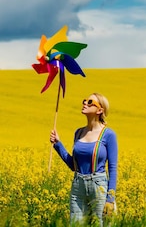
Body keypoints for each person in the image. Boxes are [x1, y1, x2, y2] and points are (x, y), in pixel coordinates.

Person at [50, 93, 118, 226]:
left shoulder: (109, 135)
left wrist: (110, 199)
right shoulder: (78, 133)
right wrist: (58, 144)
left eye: (90, 101)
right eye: (84, 100)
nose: (85, 103)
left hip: (99, 186)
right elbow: (73, 165)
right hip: (78, 185)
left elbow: (113, 168)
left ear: (100, 110)